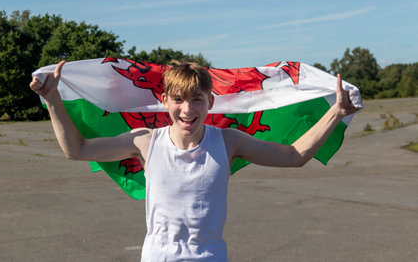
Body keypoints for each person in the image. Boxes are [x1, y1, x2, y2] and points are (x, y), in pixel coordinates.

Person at [30, 60, 359, 261]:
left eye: (197, 100)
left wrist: (337, 112)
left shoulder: (227, 141)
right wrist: (53, 98)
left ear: (210, 101)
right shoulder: (145, 141)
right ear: (165, 100)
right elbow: (77, 149)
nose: (187, 110)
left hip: (209, 258)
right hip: (158, 257)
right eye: (178, 100)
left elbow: (294, 156)